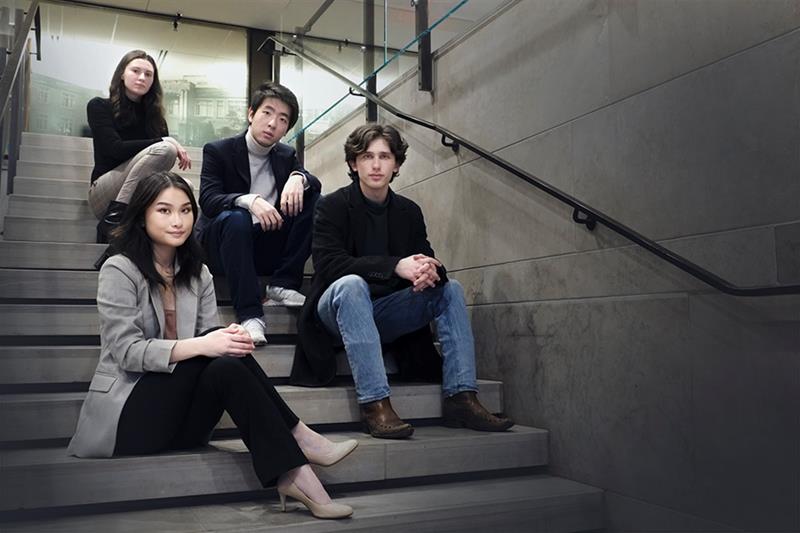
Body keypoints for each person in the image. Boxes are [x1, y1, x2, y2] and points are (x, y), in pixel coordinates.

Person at [68, 171, 355, 520]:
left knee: (227, 358)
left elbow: (211, 348)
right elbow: (128, 352)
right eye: (164, 210)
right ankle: (298, 457)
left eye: (186, 210)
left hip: (183, 420)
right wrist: (207, 343)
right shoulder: (119, 269)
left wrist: (226, 339)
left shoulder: (198, 273)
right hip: (129, 420)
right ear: (142, 216)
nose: (178, 221)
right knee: (217, 346)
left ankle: (294, 465)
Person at [290, 123, 514, 439]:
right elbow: (330, 265)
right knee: (352, 285)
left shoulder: (408, 211)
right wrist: (395, 266)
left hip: (384, 313)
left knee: (450, 290)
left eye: (384, 156)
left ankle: (461, 397)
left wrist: (430, 272)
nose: (376, 165)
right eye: (367, 156)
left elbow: (427, 259)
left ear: (396, 164)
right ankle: (375, 404)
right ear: (354, 164)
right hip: (334, 314)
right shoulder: (332, 206)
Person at [196, 82, 321, 346]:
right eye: (267, 112)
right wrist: (248, 200)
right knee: (237, 217)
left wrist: (298, 177)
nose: (273, 123)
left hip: (263, 248)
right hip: (222, 246)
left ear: (287, 129)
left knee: (314, 199)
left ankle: (283, 284)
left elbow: (314, 184)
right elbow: (208, 200)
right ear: (251, 114)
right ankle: (250, 315)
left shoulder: (286, 155)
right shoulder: (218, 150)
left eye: (283, 119)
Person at [87, 50, 191, 252]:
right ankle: (113, 223)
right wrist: (163, 141)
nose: (142, 77)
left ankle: (172, 247)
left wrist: (162, 140)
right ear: (122, 74)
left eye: (148, 74)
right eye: (135, 71)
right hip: (104, 194)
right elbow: (113, 149)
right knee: (166, 149)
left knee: (185, 186)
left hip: (138, 194)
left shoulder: (156, 120)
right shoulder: (99, 106)